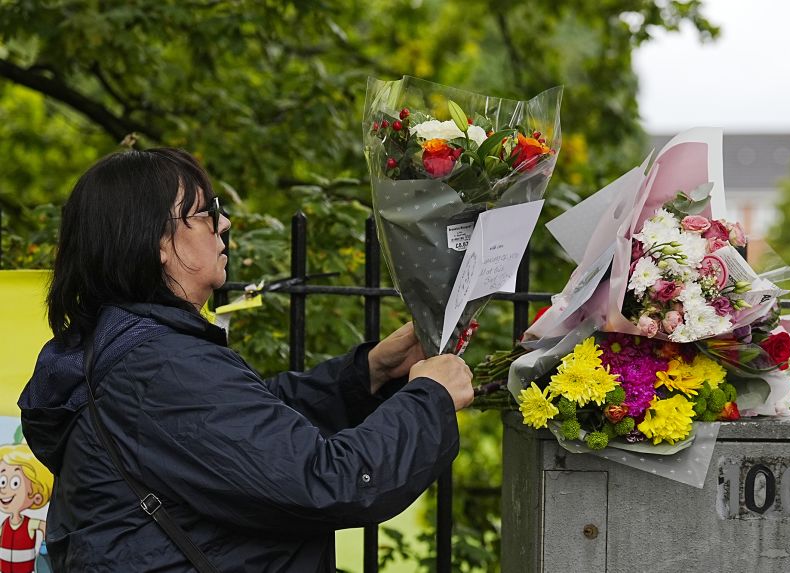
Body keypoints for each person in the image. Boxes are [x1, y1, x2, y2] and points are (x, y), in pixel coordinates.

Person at [18, 148, 474, 572]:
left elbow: (251, 422)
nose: (225, 224)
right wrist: (429, 399)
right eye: (205, 214)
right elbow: (326, 483)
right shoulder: (159, 369)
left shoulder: (127, 352)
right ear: (156, 241)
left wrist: (370, 372)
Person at [0, 443, 53, 573]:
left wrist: (44, 549)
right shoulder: (4, 525)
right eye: (2, 481)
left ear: (36, 496)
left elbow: (45, 527)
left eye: (15, 483)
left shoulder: (30, 524)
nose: (4, 489)